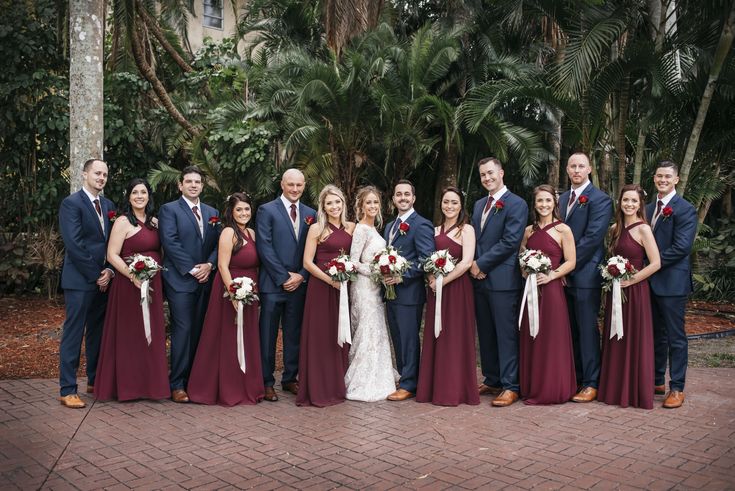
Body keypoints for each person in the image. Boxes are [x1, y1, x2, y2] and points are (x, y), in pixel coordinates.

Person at [94, 178, 169, 401]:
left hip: (153, 285)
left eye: (143, 192)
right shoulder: (122, 222)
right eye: (135, 192)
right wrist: (132, 275)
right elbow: (112, 255)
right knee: (129, 334)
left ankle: (151, 386)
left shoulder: (155, 222)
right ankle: (128, 387)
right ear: (128, 197)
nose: (139, 196)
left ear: (149, 196)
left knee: (152, 334)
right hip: (128, 286)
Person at [188, 193, 265, 406]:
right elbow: (222, 265)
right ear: (231, 212)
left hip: (250, 290)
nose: (244, 213)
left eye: (247, 209)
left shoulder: (251, 232)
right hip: (229, 289)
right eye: (239, 209)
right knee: (226, 337)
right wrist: (233, 293)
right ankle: (225, 387)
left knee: (247, 336)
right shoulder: (228, 232)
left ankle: (246, 384)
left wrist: (248, 291)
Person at [159, 166, 220, 403]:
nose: (193, 185)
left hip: (206, 280)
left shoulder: (212, 212)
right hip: (181, 280)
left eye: (197, 181)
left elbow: (219, 242)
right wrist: (194, 269)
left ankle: (196, 381)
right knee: (182, 331)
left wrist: (210, 265)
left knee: (199, 331)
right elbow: (170, 242)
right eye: (189, 181)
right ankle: (177, 384)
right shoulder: (169, 210)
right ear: (180, 185)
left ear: (202, 186)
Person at [57, 159, 115, 408]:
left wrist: (110, 271)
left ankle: (94, 379)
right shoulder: (71, 204)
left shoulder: (108, 205)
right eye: (97, 173)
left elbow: (114, 242)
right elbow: (75, 244)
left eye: (104, 174)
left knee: (97, 333)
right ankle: (68, 389)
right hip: (80, 280)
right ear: (84, 174)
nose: (101, 178)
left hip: (103, 279)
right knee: (74, 332)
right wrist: (97, 274)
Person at [470, 157, 528, 407]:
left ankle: (510, 384)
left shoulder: (517, 203)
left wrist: (481, 264)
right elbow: (474, 238)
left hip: (503, 279)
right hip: (479, 279)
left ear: (501, 173)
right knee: (486, 332)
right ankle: (492, 377)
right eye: (483, 174)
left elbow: (511, 241)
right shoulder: (479, 204)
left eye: (491, 173)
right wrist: (474, 264)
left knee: (505, 334)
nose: (487, 178)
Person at [416, 187, 480, 406]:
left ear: (461, 205)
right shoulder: (433, 231)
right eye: (445, 202)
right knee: (436, 335)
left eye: (454, 202)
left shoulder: (467, 230)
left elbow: (466, 262)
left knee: (455, 336)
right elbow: (427, 259)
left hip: (457, 289)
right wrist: (432, 278)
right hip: (436, 289)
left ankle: (456, 389)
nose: (449, 206)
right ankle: (434, 387)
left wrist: (444, 280)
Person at [256, 169, 316, 402]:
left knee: (294, 333)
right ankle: (266, 381)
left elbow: (314, 249)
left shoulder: (312, 213)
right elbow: (265, 246)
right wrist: (283, 277)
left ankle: (290, 377)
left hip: (299, 285)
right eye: (290, 184)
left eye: (299, 185)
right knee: (268, 334)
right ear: (282, 184)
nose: (294, 189)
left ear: (304, 185)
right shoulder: (266, 210)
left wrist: (301, 276)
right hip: (273, 284)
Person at [599, 184, 661, 409]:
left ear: (640, 204)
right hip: (616, 290)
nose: (629, 204)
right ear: (620, 201)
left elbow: (655, 263)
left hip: (635, 291)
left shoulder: (643, 229)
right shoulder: (614, 228)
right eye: (626, 200)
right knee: (616, 337)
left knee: (633, 337)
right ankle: (615, 389)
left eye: (634, 201)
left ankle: (634, 391)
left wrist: (632, 280)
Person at [559, 152, 613, 403]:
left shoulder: (600, 200)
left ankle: (592, 382)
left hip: (584, 274)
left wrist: (565, 266)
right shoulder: (560, 199)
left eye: (581, 166)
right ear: (567, 169)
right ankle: (576, 377)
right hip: (561, 276)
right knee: (569, 329)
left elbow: (592, 239)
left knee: (587, 328)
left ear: (589, 169)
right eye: (572, 166)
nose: (576, 170)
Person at [295, 185, 355, 407]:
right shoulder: (316, 229)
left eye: (337, 202)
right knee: (320, 336)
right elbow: (307, 262)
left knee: (339, 335)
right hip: (321, 288)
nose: (334, 206)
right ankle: (319, 387)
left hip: (344, 289)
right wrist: (330, 280)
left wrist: (347, 277)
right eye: (329, 203)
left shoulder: (352, 228)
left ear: (343, 203)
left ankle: (338, 384)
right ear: (323, 206)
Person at [518, 185, 577, 405]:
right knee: (533, 336)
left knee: (551, 337)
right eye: (539, 201)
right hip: (531, 289)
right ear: (534, 204)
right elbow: (522, 257)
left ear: (554, 203)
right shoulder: (528, 231)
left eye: (548, 201)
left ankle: (555, 387)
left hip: (551, 291)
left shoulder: (563, 230)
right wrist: (526, 272)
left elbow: (571, 261)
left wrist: (551, 275)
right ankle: (533, 386)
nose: (544, 205)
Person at [645, 161, 697, 409]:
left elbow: (681, 248)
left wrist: (651, 265)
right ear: (654, 179)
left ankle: (677, 387)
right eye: (659, 176)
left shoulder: (684, 209)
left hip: (672, 283)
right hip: (648, 283)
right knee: (655, 334)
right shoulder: (646, 209)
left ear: (676, 180)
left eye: (667, 176)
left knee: (676, 337)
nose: (662, 180)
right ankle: (656, 380)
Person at [383, 180, 435, 401]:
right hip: (391, 293)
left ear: (413, 198)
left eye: (407, 194)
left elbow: (426, 260)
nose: (402, 198)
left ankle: (410, 383)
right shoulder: (389, 226)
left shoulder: (421, 224)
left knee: (408, 338)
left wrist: (401, 275)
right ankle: (405, 375)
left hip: (409, 293)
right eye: (398, 194)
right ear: (393, 199)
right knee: (398, 337)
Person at [344, 186, 397, 402]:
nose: (373, 206)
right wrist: (377, 271)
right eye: (369, 203)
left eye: (376, 202)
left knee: (377, 329)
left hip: (375, 289)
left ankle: (380, 376)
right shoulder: (361, 230)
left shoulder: (375, 229)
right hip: (363, 288)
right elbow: (353, 263)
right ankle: (362, 380)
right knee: (367, 329)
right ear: (361, 206)